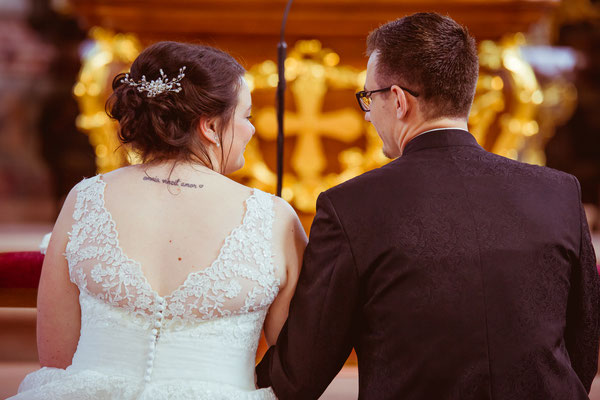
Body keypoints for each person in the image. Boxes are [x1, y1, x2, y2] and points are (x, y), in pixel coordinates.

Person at [256, 12, 600, 400]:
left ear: (399, 100)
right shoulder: (558, 192)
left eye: (369, 98)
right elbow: (583, 347)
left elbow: (298, 378)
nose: (368, 115)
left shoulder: (351, 207)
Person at [11, 41, 307, 399]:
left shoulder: (85, 199)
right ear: (210, 127)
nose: (251, 130)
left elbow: (56, 356)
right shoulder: (272, 217)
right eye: (246, 116)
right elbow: (299, 361)